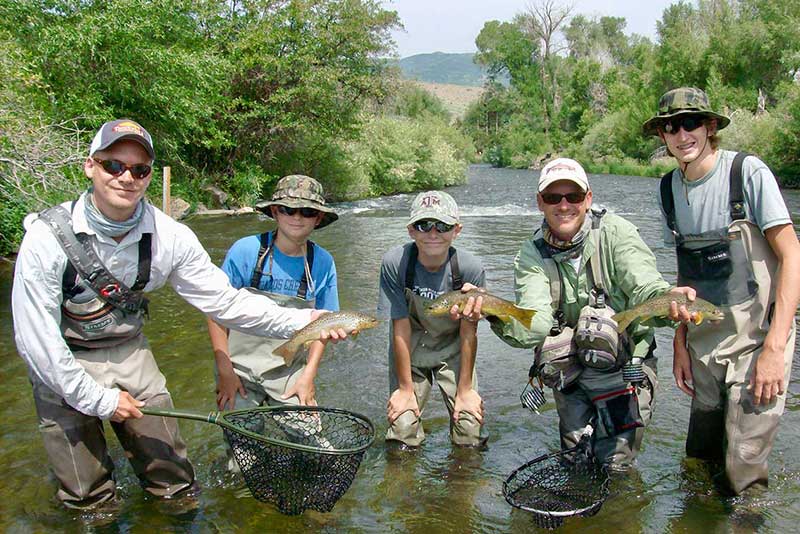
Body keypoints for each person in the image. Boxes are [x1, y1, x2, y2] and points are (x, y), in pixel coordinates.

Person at [11, 119, 346, 510]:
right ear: (90, 166)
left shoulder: (171, 237)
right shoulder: (45, 238)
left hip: (126, 347)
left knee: (175, 482)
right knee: (89, 495)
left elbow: (225, 303)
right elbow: (37, 344)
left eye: (139, 169)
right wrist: (100, 401)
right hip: (59, 357)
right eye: (113, 165)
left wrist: (304, 322)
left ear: (149, 176)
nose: (126, 177)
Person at [480, 158, 694, 468]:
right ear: (540, 202)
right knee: (575, 460)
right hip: (571, 369)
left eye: (574, 197)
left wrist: (667, 300)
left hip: (624, 366)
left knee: (616, 465)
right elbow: (534, 325)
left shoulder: (616, 233)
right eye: (553, 197)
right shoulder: (531, 253)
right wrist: (492, 312)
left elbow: (644, 287)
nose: (564, 205)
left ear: (588, 199)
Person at [643, 87, 800, 494]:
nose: (681, 135)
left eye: (691, 123)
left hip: (758, 344)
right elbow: (684, 275)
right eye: (670, 127)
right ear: (662, 136)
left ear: (710, 127)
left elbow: (792, 256)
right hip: (703, 344)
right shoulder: (667, 190)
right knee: (701, 460)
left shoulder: (747, 173)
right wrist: (680, 342)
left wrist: (775, 349)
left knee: (742, 472)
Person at [207, 175, 339, 468]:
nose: (297, 217)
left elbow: (324, 326)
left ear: (317, 219)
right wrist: (225, 371)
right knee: (242, 460)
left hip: (289, 372)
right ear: (275, 212)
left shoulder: (323, 262)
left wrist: (308, 378)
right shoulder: (245, 250)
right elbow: (216, 312)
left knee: (316, 451)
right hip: (237, 370)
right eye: (288, 209)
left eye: (307, 212)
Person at [377, 190, 486, 448]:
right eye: (423, 225)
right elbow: (400, 327)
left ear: (456, 230)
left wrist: (465, 390)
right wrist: (405, 390)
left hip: (454, 348)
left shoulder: (470, 268)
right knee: (402, 427)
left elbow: (469, 332)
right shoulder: (396, 263)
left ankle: (465, 484)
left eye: (443, 226)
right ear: (411, 230)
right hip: (411, 346)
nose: (433, 233)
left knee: (469, 428)